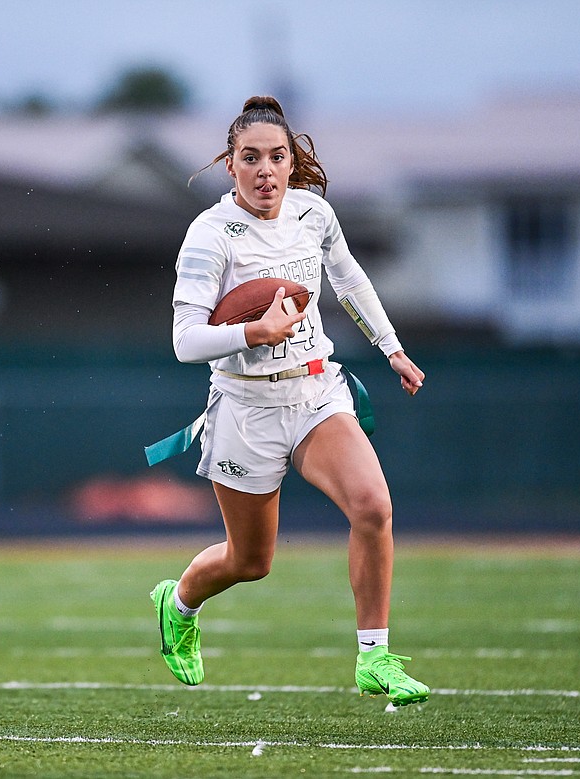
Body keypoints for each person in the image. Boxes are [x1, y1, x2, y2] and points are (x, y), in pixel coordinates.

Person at [149, 95, 429, 706]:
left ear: (292, 162)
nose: (266, 171)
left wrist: (392, 349)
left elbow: (349, 277)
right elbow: (184, 341)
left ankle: (374, 657)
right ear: (231, 165)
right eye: (251, 158)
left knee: (373, 507)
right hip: (244, 409)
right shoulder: (208, 234)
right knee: (250, 561)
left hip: (314, 391)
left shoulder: (313, 214)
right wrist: (255, 331)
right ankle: (178, 603)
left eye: (278, 157)